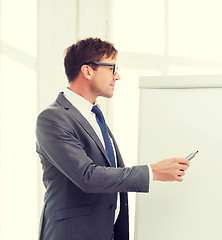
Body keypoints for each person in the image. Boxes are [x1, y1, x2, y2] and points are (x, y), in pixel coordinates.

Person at [35, 37, 190, 240]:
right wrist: (152, 172)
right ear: (87, 71)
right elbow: (88, 177)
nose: (117, 76)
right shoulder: (53, 118)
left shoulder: (94, 115)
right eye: (111, 68)